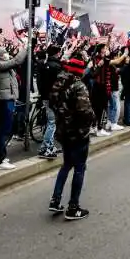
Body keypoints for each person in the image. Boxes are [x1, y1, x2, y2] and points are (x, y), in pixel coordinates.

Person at [48, 56, 96, 221]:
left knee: (66, 165)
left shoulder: (58, 84)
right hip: (78, 133)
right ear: (79, 72)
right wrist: (91, 121)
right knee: (79, 167)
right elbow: (85, 111)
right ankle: (73, 207)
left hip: (63, 132)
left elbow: (53, 105)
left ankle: (55, 199)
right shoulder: (78, 86)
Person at [0, 45, 28, 170]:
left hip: (7, 99)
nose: (7, 54)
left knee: (1, 129)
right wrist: (26, 48)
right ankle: (0, 160)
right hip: (5, 100)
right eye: (5, 53)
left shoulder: (4, 65)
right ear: (0, 55)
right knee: (3, 130)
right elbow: (17, 61)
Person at [37, 45, 63, 159]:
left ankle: (49, 146)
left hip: (45, 97)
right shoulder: (57, 66)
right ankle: (46, 148)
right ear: (57, 53)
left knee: (51, 122)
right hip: (54, 98)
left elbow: (40, 82)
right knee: (52, 123)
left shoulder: (44, 64)